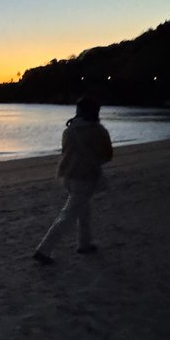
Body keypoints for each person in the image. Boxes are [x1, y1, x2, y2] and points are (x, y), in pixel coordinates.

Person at [33, 97, 114, 264]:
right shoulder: (99, 130)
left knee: (83, 209)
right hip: (85, 176)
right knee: (69, 214)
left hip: (67, 174)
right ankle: (44, 249)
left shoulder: (69, 130)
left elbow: (65, 150)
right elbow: (108, 155)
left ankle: (84, 243)